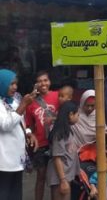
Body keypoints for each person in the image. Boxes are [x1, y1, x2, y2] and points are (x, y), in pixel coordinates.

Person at [0, 68, 36, 200]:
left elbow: (21, 122)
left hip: (16, 160)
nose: (15, 87)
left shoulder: (14, 100)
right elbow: (6, 125)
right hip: (3, 162)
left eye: (16, 83)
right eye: (11, 84)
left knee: (16, 195)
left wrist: (28, 132)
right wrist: (24, 105)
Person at [26, 69, 60, 200]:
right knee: (40, 177)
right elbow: (27, 125)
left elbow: (67, 116)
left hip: (56, 143)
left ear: (50, 81)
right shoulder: (31, 102)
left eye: (45, 80)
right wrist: (30, 135)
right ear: (36, 84)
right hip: (40, 145)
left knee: (55, 179)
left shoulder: (58, 96)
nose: (43, 83)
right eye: (39, 81)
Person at [47, 101, 81, 200]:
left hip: (66, 176)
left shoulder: (68, 131)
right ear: (71, 114)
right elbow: (57, 157)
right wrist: (63, 180)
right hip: (60, 177)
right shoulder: (60, 134)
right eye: (77, 114)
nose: (78, 117)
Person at [72, 90, 98, 177]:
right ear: (82, 103)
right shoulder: (75, 115)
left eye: (92, 106)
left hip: (93, 155)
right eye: (87, 106)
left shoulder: (99, 115)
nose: (90, 108)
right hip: (76, 153)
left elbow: (104, 132)